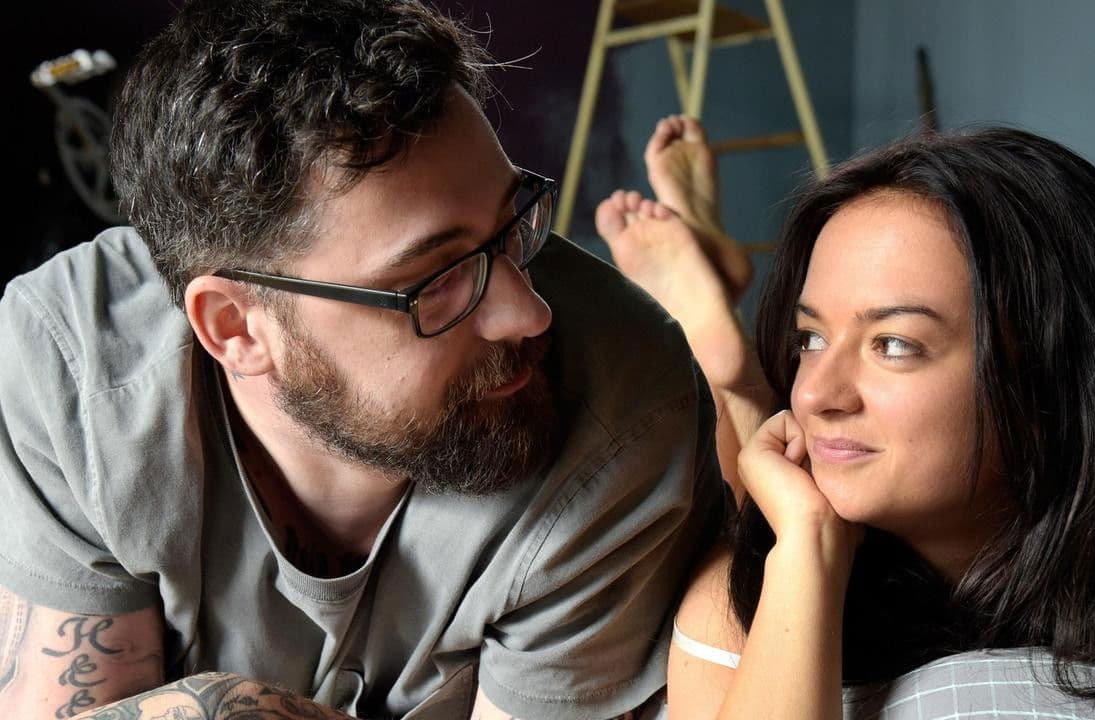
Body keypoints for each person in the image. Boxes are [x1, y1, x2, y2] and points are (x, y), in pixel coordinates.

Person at [0, 2, 727, 718]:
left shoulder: (624, 408)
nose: (527, 312)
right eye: (435, 279)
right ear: (235, 327)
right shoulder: (72, 368)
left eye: (512, 226)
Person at [597, 121, 1095, 718]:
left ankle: (720, 355)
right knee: (754, 486)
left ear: (1049, 380)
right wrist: (805, 549)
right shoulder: (748, 591)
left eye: (895, 345)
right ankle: (721, 360)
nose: (816, 393)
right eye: (810, 338)